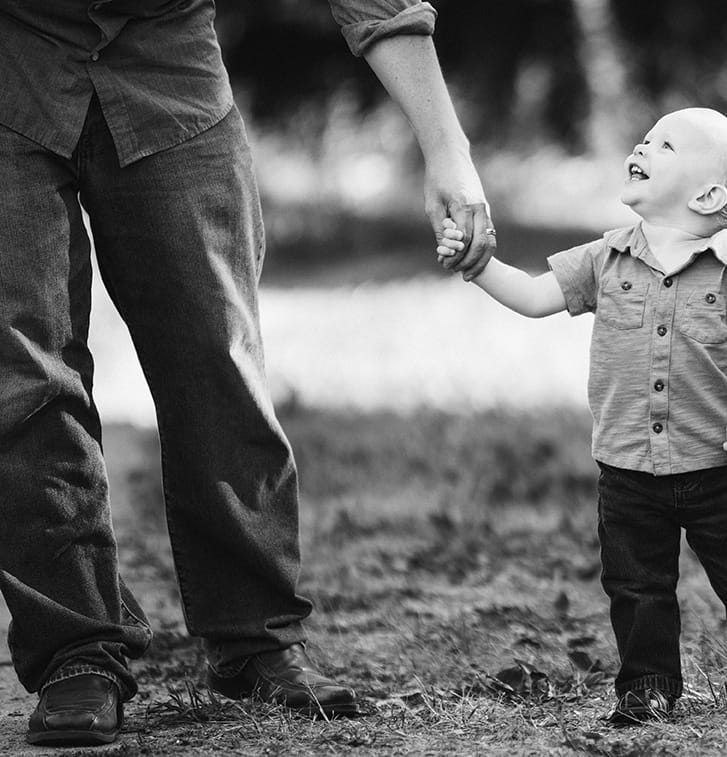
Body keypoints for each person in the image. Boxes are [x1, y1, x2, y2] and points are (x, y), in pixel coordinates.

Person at [0, 0, 494, 747]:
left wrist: (446, 148)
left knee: (215, 353)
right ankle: (76, 650)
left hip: (168, 65)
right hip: (10, 62)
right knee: (23, 376)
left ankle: (255, 640)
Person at [436, 107, 727, 724]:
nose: (641, 145)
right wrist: (478, 267)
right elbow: (533, 298)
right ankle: (649, 688)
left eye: (664, 145)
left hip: (718, 465)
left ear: (708, 193)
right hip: (628, 466)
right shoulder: (604, 259)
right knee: (637, 589)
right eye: (645, 138)